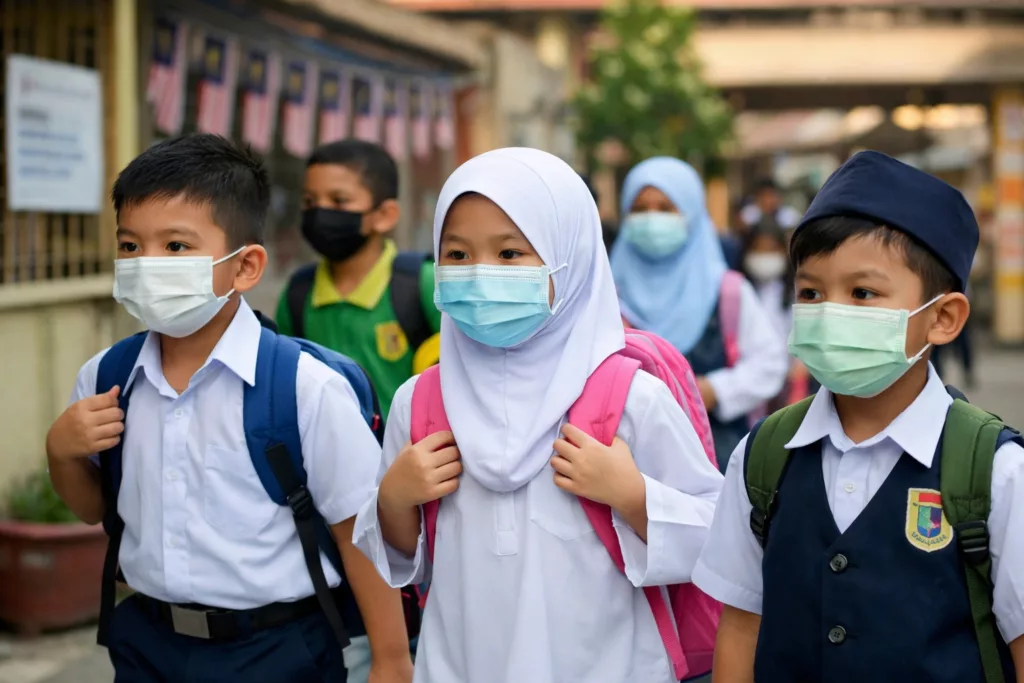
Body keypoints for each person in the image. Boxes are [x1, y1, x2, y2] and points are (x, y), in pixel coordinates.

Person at [44, 134, 413, 682]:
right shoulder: (106, 377)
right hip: (146, 644)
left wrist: (390, 661)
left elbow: (354, 532)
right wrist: (62, 453)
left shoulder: (305, 388)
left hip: (276, 649)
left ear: (244, 267)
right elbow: (94, 509)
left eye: (175, 247)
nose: (147, 265)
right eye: (129, 246)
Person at [352, 148, 723, 683]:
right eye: (457, 255)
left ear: (568, 259)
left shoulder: (629, 397)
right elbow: (404, 560)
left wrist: (633, 495)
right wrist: (394, 500)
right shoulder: (422, 401)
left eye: (509, 254)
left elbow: (714, 539)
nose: (480, 275)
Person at [693, 151, 1024, 683]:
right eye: (811, 293)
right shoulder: (764, 456)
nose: (830, 313)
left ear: (942, 317)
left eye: (862, 293)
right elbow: (740, 625)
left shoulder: (995, 471)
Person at [611, 157, 788, 469]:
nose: (652, 219)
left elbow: (770, 363)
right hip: (623, 463)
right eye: (639, 209)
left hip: (715, 460)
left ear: (691, 213)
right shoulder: (608, 293)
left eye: (666, 208)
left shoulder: (726, 291)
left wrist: (714, 389)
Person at [276, 139, 441, 417]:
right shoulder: (299, 293)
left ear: (385, 215)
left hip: (408, 454)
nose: (320, 212)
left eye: (339, 200)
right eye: (309, 201)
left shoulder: (422, 284)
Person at [738, 217, 813, 410]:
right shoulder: (739, 290)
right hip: (748, 380)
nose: (764, 256)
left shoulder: (794, 290)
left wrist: (798, 373)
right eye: (758, 250)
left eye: (771, 250)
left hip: (789, 381)